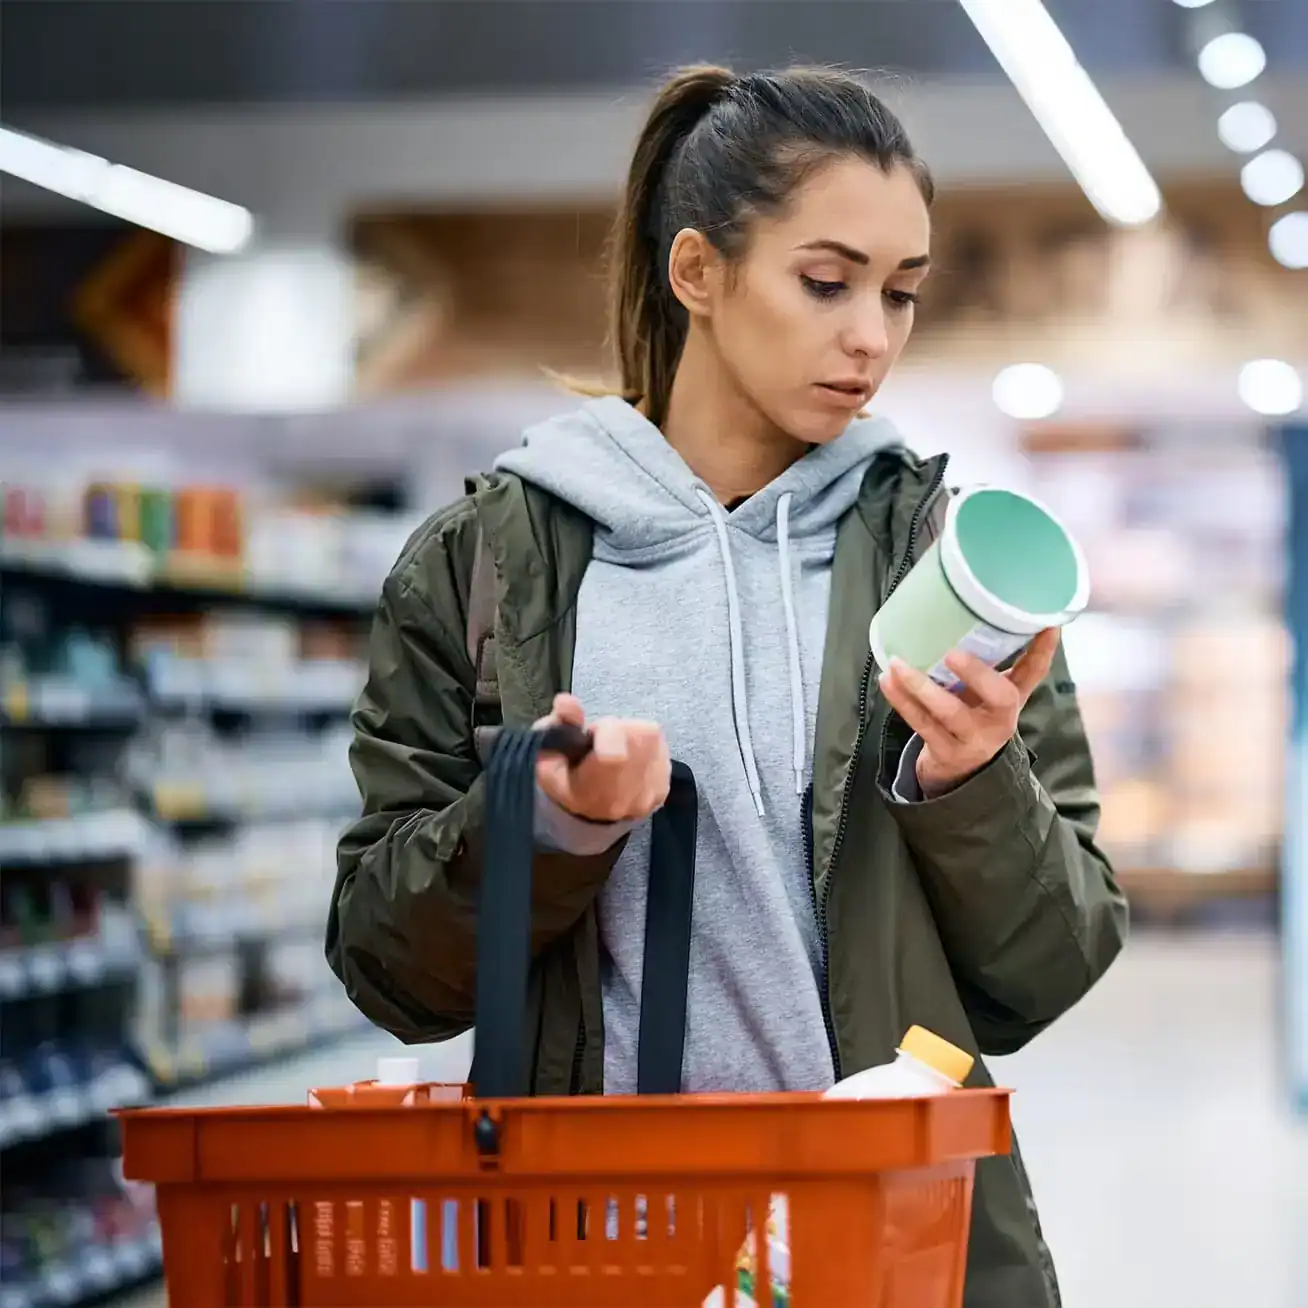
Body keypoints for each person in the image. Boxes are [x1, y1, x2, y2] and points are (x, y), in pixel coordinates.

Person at [328, 64, 1127, 1307]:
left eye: (902, 293)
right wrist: (548, 826)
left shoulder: (944, 563)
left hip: (890, 1243)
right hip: (599, 1246)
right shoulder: (488, 566)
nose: (872, 334)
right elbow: (388, 966)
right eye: (827, 281)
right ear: (696, 271)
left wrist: (968, 784)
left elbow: (1055, 963)